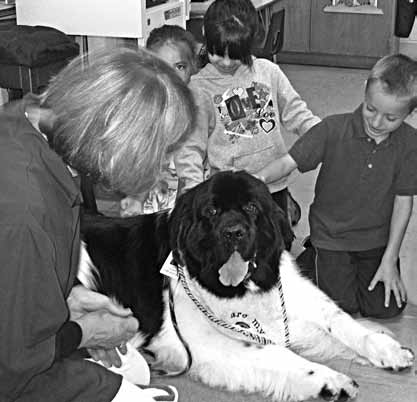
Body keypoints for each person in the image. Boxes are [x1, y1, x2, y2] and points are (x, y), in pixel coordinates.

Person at [0, 47, 195, 402]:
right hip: (13, 368)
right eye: (162, 149)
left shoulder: (26, 119)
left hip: (21, 333)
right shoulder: (27, 213)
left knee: (134, 368)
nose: (163, 162)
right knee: (130, 387)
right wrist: (82, 333)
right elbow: (11, 368)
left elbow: (20, 280)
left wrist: (71, 299)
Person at [255, 53, 417, 318]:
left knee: (386, 309)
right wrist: (256, 179)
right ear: (365, 91)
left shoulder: (410, 144)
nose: (376, 123)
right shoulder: (333, 128)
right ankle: (312, 258)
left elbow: (403, 202)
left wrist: (390, 258)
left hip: (375, 241)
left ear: (410, 113)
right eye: (371, 109)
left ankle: (318, 264)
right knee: (343, 310)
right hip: (332, 238)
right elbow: (289, 161)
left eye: (391, 118)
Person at [174, 0, 320, 230]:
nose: (225, 62)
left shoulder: (268, 72)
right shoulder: (199, 89)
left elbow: (297, 112)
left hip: (274, 184)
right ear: (205, 35)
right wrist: (193, 192)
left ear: (251, 42)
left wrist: (325, 134)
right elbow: (190, 146)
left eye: (235, 55)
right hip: (230, 193)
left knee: (276, 242)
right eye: (216, 53)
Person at [120, 24, 215, 216]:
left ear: (192, 68)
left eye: (179, 67)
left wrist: (190, 204)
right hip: (154, 194)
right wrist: (136, 199)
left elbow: (202, 157)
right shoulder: (145, 105)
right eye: (161, 67)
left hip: (193, 193)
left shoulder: (200, 103)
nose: (171, 76)